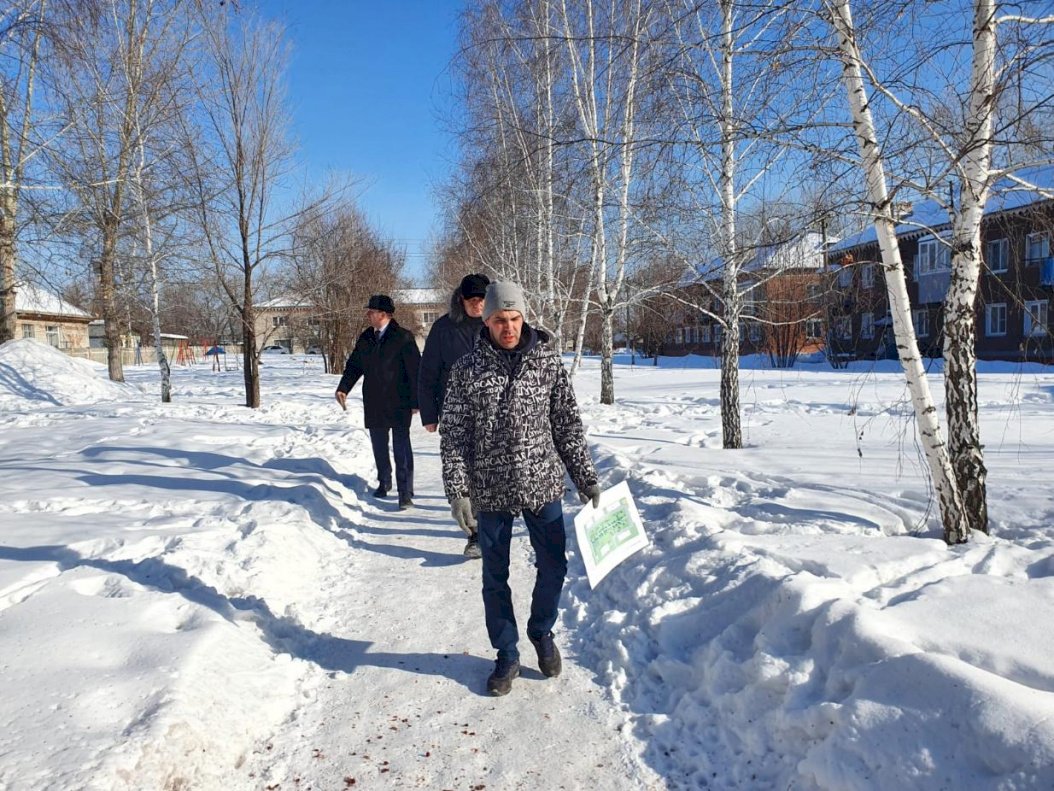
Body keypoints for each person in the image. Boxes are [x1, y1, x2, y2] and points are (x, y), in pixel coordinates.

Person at [440, 281, 601, 696]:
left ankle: (541, 631)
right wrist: (458, 490)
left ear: (523, 318)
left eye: (514, 319)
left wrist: (584, 478)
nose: (508, 327)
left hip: (541, 483)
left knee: (555, 567)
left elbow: (567, 426)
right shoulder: (466, 371)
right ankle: (506, 654)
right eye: (499, 320)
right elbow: (454, 436)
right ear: (486, 321)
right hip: (490, 490)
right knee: (495, 576)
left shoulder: (548, 363)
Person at [418, 273, 490, 559]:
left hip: (494, 412)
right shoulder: (444, 329)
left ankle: (492, 526)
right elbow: (428, 374)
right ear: (461, 299)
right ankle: (475, 534)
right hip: (456, 412)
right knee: (464, 473)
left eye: (482, 299)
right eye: (472, 299)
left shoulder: (496, 324)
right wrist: (429, 413)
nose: (478, 304)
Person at [336, 294, 421, 510]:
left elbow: (415, 371)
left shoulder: (403, 337)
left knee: (401, 447)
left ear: (383, 314)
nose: (368, 315)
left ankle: (405, 492)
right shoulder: (366, 338)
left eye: (371, 312)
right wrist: (344, 387)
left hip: (399, 401)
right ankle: (384, 481)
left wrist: (416, 401)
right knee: (379, 445)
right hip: (374, 400)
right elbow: (355, 365)